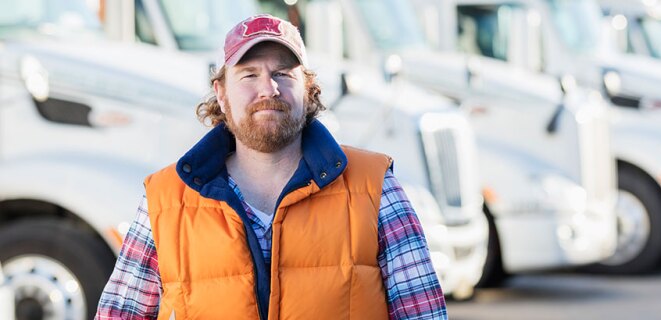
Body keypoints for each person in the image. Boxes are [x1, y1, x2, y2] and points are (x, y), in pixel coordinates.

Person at [95, 14, 447, 320]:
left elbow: (424, 314)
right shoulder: (165, 200)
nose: (269, 88)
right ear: (221, 92)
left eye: (283, 72)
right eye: (249, 75)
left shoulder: (375, 188)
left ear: (308, 89)